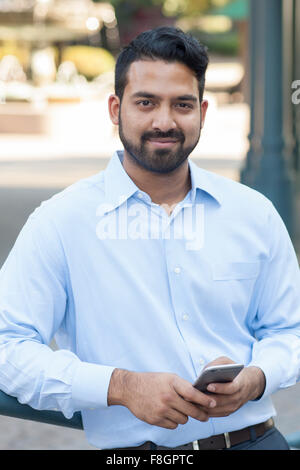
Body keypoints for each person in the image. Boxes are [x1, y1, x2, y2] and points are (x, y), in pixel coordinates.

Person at [0, 26, 299, 451]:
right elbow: (7, 348)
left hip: (258, 442)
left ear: (203, 112)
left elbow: (291, 330)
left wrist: (256, 376)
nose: (165, 121)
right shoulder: (60, 223)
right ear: (115, 109)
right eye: (146, 103)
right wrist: (120, 387)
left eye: (182, 104)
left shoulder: (253, 213)